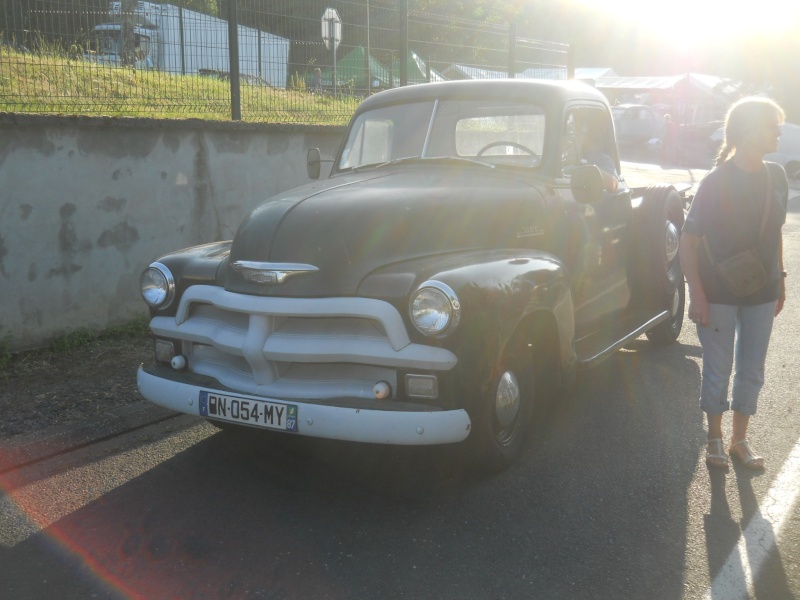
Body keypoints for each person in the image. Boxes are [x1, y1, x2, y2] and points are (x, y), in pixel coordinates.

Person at [679, 96, 788, 470]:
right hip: (718, 291)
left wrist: (782, 278)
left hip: (764, 288)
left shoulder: (777, 175)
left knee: (752, 367)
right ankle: (715, 437)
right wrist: (697, 292)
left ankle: (740, 440)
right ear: (748, 130)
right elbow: (688, 242)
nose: (778, 131)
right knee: (718, 365)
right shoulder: (715, 181)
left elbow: (775, 232)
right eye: (772, 124)